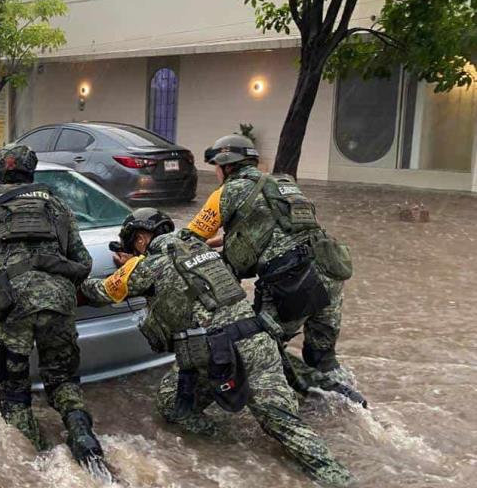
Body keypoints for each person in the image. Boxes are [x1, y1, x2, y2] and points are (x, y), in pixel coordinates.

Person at [83, 209, 353, 486]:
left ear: (140, 239)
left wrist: (123, 268)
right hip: (260, 340)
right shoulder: (202, 250)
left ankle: (224, 450)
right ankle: (339, 477)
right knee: (286, 425)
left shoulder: (147, 267)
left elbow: (99, 292)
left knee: (173, 406)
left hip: (220, 355)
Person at [0, 145, 109, 475]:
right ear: (31, 170)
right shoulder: (59, 205)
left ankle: (35, 467)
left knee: (14, 390)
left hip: (12, 302)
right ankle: (83, 439)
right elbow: (83, 262)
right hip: (60, 302)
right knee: (63, 380)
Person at [187, 135, 364, 405]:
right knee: (322, 357)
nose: (215, 173)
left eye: (216, 166)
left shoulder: (227, 192)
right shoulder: (282, 184)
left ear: (226, 166)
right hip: (329, 271)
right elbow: (282, 228)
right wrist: (224, 240)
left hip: (293, 283)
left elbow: (188, 239)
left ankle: (338, 399)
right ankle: (340, 408)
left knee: (258, 346)